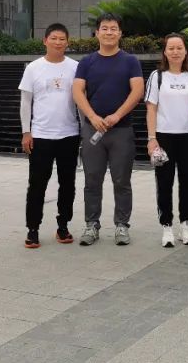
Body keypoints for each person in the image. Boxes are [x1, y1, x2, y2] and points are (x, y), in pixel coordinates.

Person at [73, 13, 145, 246]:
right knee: (92, 179)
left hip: (121, 130)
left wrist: (117, 115)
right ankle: (91, 225)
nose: (109, 32)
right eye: (104, 28)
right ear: (97, 33)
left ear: (120, 33)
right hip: (92, 130)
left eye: (113, 28)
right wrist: (92, 117)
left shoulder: (130, 61)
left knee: (121, 180)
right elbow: (77, 91)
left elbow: (137, 91)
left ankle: (122, 225)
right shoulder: (87, 62)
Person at [19, 23, 80, 249]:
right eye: (53, 38)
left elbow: (81, 100)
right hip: (41, 135)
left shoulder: (75, 67)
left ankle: (63, 226)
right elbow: (26, 102)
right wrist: (26, 132)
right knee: (37, 184)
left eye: (62, 39)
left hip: (69, 134)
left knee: (68, 184)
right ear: (45, 41)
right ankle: (32, 229)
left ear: (67, 42)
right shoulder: (33, 68)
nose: (58, 42)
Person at [145, 33, 188, 248]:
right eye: (171, 48)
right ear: (164, 52)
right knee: (164, 182)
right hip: (163, 137)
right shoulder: (157, 76)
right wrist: (152, 138)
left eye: (179, 48)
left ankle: (186, 224)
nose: (175, 52)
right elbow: (151, 108)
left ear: (185, 51)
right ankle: (167, 226)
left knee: (187, 181)